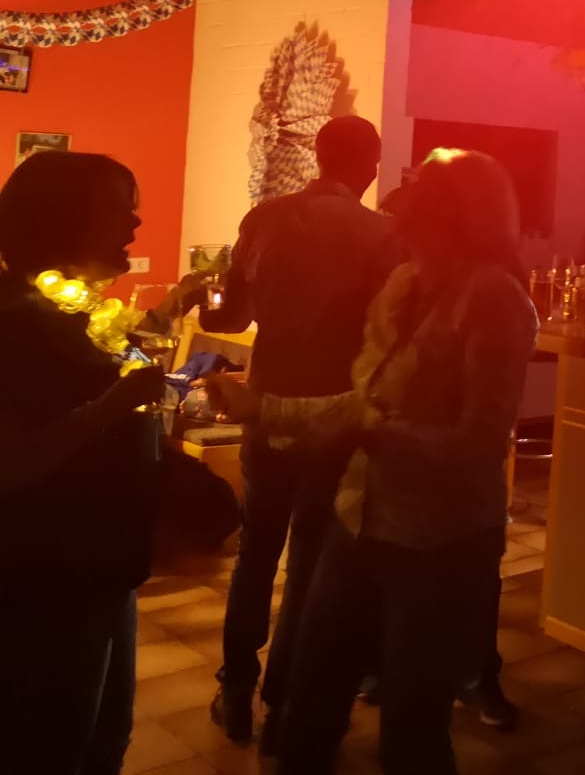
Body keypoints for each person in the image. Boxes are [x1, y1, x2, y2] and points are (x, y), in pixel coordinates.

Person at [207, 148, 535, 775]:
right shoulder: (404, 286)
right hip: (359, 517)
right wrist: (262, 409)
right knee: (312, 701)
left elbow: (479, 443)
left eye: (421, 206)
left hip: (441, 539)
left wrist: (374, 435)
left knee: (412, 732)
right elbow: (365, 405)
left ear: (458, 218)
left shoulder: (494, 298)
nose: (404, 217)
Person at [205, 115, 403, 749]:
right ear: (370, 164)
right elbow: (387, 333)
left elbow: (232, 316)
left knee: (256, 553)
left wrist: (203, 296)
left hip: (266, 404)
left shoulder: (263, 219)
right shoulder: (383, 234)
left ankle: (236, 690)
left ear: (319, 157)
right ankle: (282, 703)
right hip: (331, 416)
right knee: (309, 562)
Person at [0, 152, 168, 773]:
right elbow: (13, 464)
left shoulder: (66, 306)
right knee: (52, 744)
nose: (136, 223)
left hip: (103, 569)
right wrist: (115, 403)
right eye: (120, 207)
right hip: (51, 582)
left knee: (105, 732)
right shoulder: (15, 323)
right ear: (63, 216)